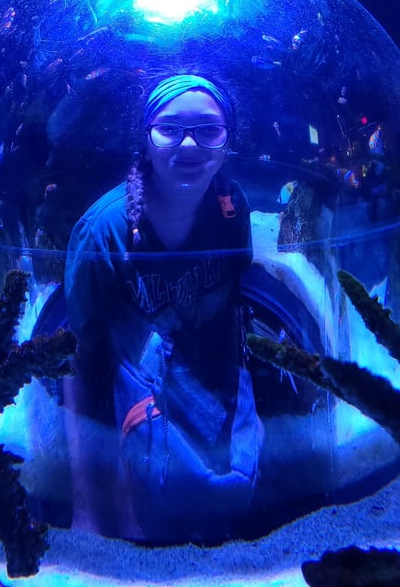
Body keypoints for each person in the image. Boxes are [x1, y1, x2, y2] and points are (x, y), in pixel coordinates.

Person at [64, 74, 261, 542]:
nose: (188, 144)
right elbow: (75, 357)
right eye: (169, 129)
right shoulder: (105, 230)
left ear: (227, 142)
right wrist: (86, 501)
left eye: (208, 130)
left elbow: (236, 305)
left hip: (214, 382)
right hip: (143, 397)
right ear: (146, 140)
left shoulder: (232, 207)